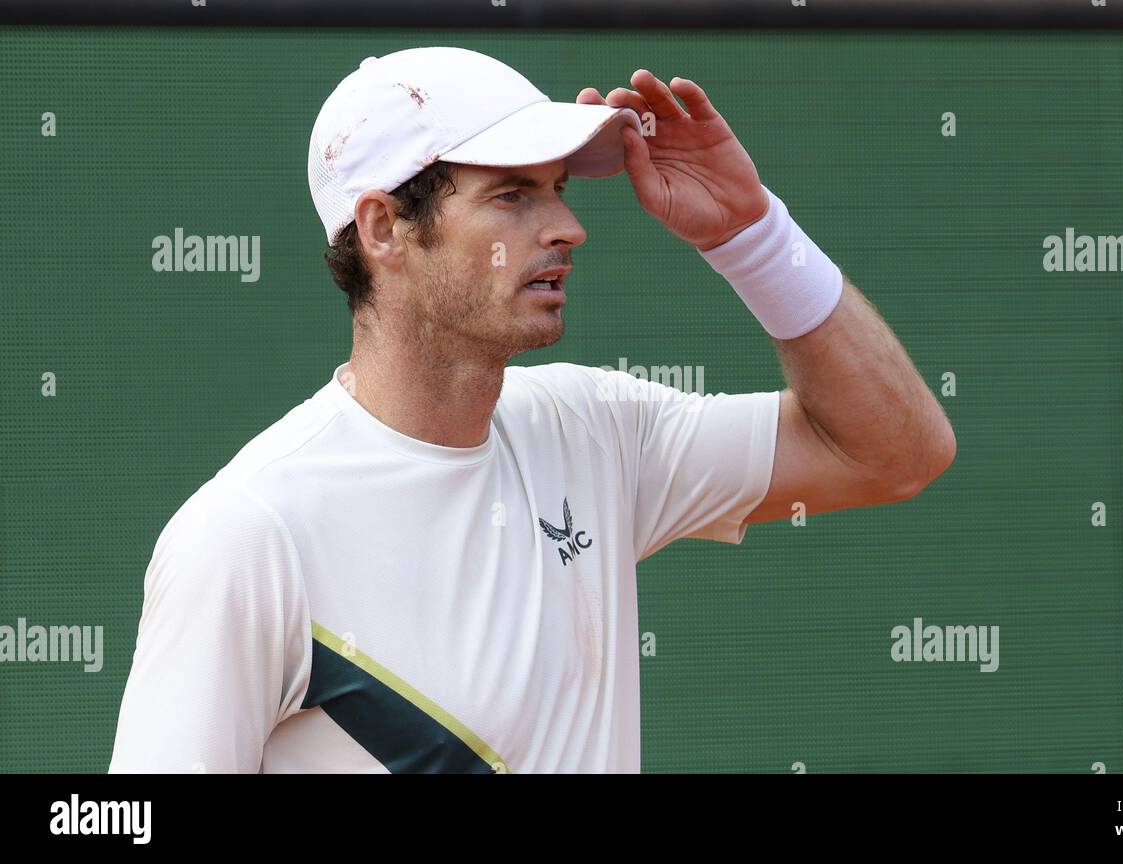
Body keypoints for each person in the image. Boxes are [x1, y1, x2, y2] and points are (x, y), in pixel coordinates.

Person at [108, 46, 955, 773]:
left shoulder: (596, 429)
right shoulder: (247, 536)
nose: (567, 227)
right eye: (513, 195)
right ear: (383, 229)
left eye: (557, 189)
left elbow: (897, 451)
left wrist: (751, 234)